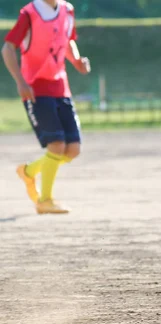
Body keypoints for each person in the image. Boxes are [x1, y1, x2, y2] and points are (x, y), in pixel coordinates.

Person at [2, 0, 91, 214]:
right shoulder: (30, 13)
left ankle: (29, 171)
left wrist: (77, 60)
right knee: (57, 145)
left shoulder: (67, 10)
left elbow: (67, 40)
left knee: (72, 150)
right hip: (36, 89)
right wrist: (20, 81)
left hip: (61, 88)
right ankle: (45, 200)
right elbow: (8, 48)